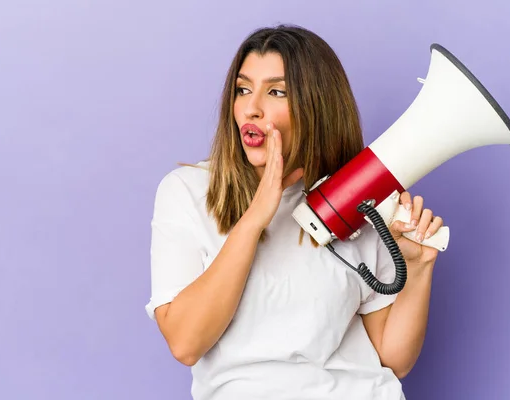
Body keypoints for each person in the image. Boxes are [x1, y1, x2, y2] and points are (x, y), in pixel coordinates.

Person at [145, 24, 444, 400]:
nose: (251, 108)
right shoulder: (188, 192)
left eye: (276, 91)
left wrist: (417, 269)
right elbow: (186, 342)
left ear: (316, 105)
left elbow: (392, 358)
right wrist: (256, 216)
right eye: (242, 89)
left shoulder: (356, 198)